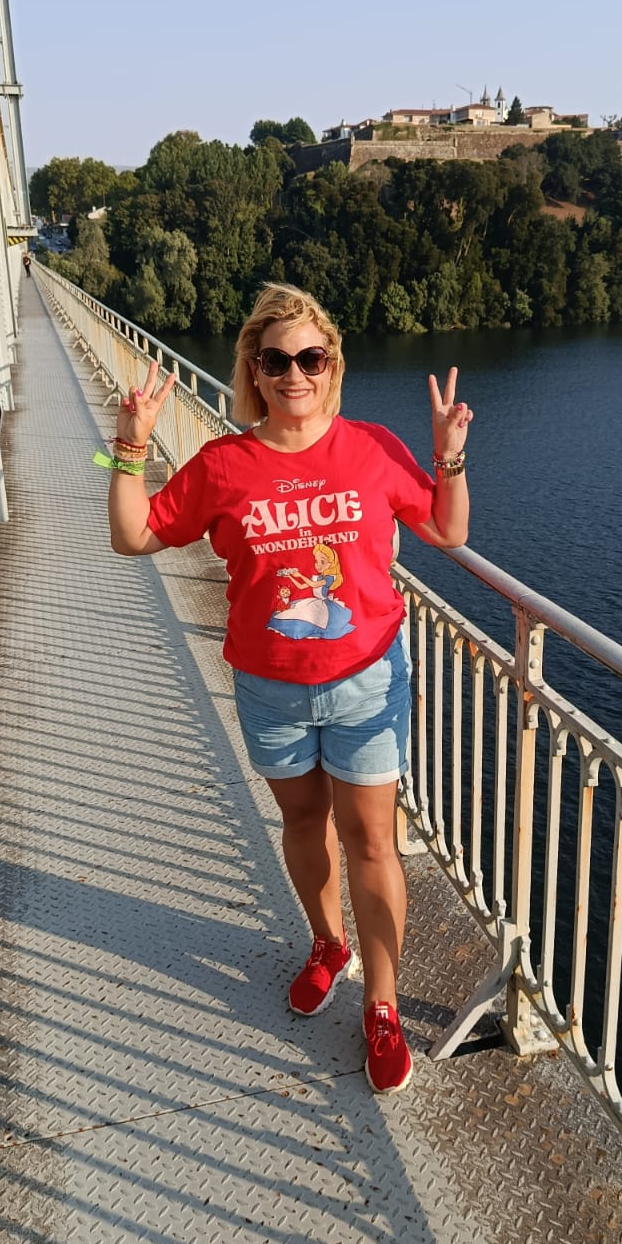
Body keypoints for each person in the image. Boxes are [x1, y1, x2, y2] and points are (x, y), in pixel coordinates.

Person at [104, 283, 471, 1093]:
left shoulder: (371, 448)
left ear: (332, 364)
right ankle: (328, 944)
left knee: (372, 841)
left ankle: (381, 1005)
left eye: (312, 358)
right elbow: (134, 535)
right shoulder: (223, 465)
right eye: (277, 361)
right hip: (270, 688)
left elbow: (448, 529)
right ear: (254, 370)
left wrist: (447, 455)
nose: (296, 374)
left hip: (365, 682)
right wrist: (130, 448)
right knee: (303, 821)